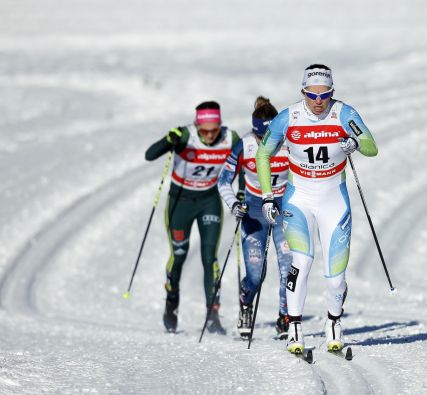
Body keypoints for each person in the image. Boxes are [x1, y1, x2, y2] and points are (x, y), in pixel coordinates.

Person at [255, 64, 378, 354]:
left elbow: (372, 147)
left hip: (333, 198)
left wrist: (354, 142)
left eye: (325, 95)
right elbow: (263, 154)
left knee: (336, 276)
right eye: (312, 95)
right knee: (301, 261)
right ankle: (295, 327)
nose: (319, 101)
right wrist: (268, 196)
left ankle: (334, 321)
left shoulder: (344, 113)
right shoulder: (288, 117)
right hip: (299, 199)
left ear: (332, 93)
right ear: (303, 92)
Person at [144, 101, 240, 334]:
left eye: (213, 130)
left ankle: (212, 314)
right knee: (179, 255)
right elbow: (150, 155)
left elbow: (247, 162)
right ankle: (171, 302)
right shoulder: (186, 135)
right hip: (181, 202)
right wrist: (169, 140)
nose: (209, 135)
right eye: (204, 130)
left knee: (209, 256)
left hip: (209, 201)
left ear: (220, 126)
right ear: (197, 126)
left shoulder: (231, 139)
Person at [218, 96, 293, 340]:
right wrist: (234, 205)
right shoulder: (246, 144)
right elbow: (223, 181)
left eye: (271, 137)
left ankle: (285, 316)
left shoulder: (290, 142)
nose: (267, 143)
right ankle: (246, 304)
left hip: (283, 209)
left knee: (288, 266)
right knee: (255, 273)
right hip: (253, 210)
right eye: (262, 138)